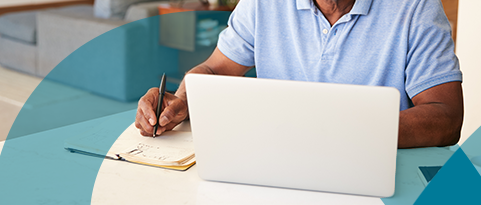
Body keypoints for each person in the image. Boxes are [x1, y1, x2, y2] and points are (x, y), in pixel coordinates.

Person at [135, 0, 463, 149]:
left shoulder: (416, 7)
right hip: (274, 158)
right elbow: (214, 69)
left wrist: (334, 131)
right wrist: (180, 101)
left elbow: (446, 116)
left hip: (369, 167)